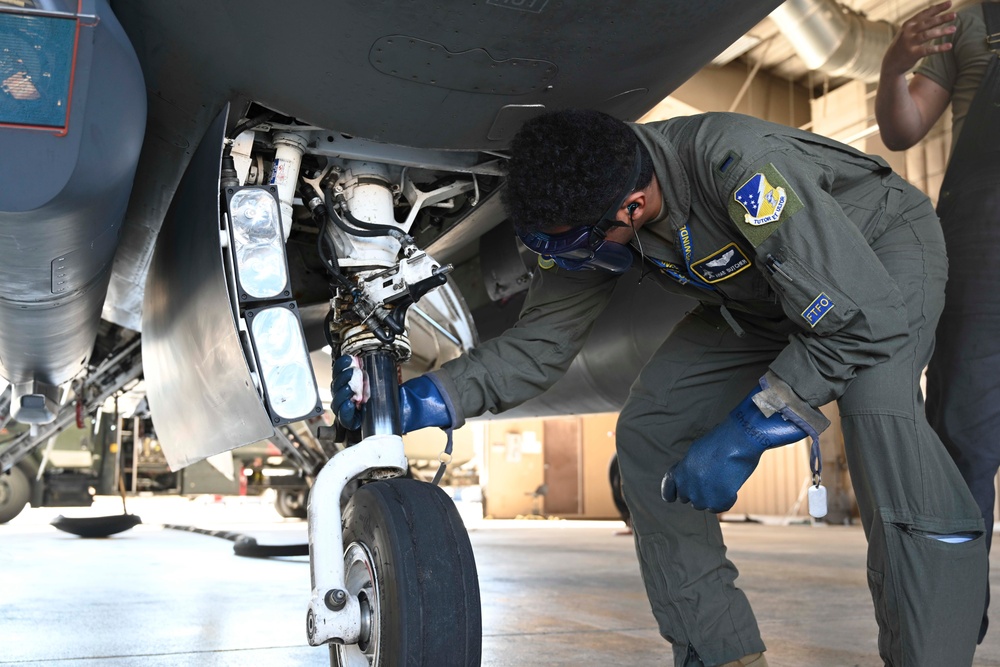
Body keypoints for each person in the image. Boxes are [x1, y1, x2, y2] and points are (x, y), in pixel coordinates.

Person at [334, 108, 988, 666]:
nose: (570, 265)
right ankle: (722, 650)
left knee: (882, 418)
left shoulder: (736, 167)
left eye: (580, 248)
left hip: (873, 263)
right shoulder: (586, 212)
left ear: (635, 205)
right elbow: (539, 347)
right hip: (762, 296)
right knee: (651, 435)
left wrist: (749, 430)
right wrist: (425, 398)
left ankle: (931, 649)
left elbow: (852, 323)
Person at [876, 0, 1000, 644]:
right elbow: (901, 131)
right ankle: (951, 629)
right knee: (963, 445)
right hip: (987, 238)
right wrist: (897, 63)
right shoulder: (969, 20)